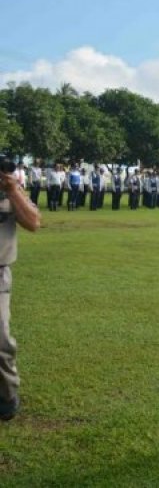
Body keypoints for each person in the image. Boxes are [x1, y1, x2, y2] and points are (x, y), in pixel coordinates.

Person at [0, 163, 41, 421]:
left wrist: (13, 190)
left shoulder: (11, 190)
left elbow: (34, 222)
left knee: (0, 342)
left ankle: (6, 394)